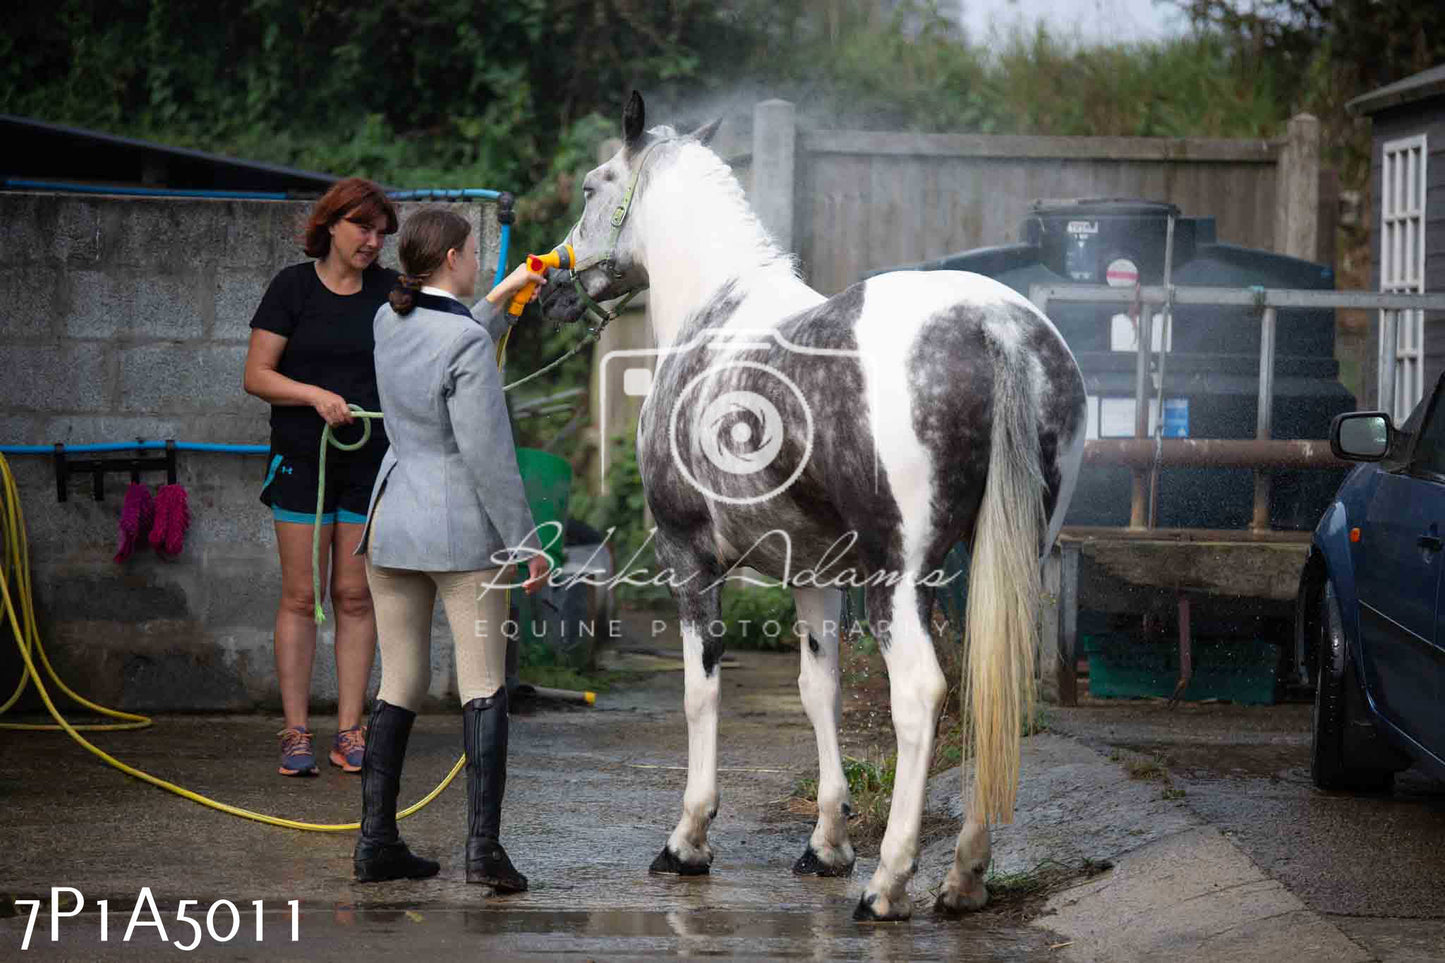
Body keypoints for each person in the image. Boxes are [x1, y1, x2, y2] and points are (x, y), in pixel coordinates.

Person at [350, 208, 553, 891]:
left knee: (399, 681)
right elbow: (489, 456)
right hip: (460, 531)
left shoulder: (388, 318)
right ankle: (482, 852)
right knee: (483, 683)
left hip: (392, 519)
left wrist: (503, 300)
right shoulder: (463, 343)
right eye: (474, 253)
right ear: (452, 260)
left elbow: (453, 336)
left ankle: (376, 843)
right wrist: (528, 543)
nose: (478, 261)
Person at [242, 177, 398, 778]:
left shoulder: (391, 292)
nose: (373, 241)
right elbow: (257, 374)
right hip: (304, 460)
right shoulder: (292, 288)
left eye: (382, 233)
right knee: (302, 597)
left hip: (370, 463)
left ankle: (351, 731)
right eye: (363, 227)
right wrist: (314, 396)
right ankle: (296, 730)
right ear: (331, 224)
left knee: (356, 596)